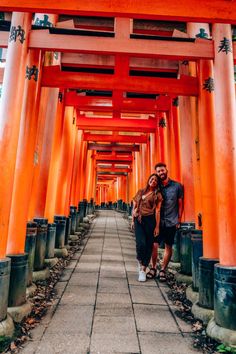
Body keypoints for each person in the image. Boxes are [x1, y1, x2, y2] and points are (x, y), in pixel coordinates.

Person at [147, 163, 183, 282]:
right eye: (158, 171)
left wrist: (179, 219)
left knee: (168, 245)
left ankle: (163, 269)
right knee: (154, 244)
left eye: (162, 170)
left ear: (166, 170)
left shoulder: (177, 186)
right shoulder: (156, 186)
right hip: (157, 221)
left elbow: (180, 204)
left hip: (171, 221)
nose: (161, 173)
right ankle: (153, 268)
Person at [131, 173, 162, 282]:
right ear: (149, 180)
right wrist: (132, 219)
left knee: (149, 245)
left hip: (150, 221)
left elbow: (158, 211)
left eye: (155, 181)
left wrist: (157, 227)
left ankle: (143, 269)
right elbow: (134, 206)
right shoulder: (141, 191)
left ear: (157, 184)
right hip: (138, 220)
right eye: (152, 179)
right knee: (140, 243)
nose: (153, 181)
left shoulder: (157, 195)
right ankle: (140, 261)